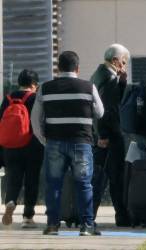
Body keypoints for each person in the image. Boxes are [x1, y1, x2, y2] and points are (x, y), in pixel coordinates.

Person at [31, 51, 104, 236]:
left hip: (54, 142)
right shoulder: (88, 87)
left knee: (54, 184)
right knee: (84, 184)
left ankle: (53, 225)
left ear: (58, 68)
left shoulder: (45, 88)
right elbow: (100, 112)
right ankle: (87, 225)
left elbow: (35, 119)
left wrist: (44, 139)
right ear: (77, 68)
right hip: (81, 142)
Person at [90, 44, 131, 226]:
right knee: (115, 178)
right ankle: (121, 216)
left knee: (100, 177)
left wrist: (122, 83)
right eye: (124, 61)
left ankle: (89, 215)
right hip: (110, 136)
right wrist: (104, 135)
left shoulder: (99, 75)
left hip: (102, 135)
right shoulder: (108, 78)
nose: (125, 65)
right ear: (115, 60)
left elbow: (111, 101)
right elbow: (106, 109)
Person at [0, 69, 44, 228]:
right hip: (32, 145)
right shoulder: (35, 98)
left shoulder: (7, 99)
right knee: (32, 180)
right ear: (34, 85)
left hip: (10, 146)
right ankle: (28, 217)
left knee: (13, 178)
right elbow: (40, 121)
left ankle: (10, 201)